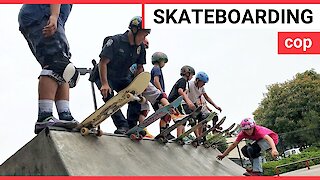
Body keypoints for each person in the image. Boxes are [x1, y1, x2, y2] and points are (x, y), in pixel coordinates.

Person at [18, 4, 80, 134]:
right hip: (42, 13)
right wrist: (54, 16)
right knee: (56, 62)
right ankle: (44, 115)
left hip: (41, 15)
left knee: (62, 68)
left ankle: (65, 114)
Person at [96, 16, 150, 134]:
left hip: (122, 77)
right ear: (134, 30)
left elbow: (140, 67)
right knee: (109, 97)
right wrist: (104, 84)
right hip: (104, 75)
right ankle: (122, 125)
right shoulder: (115, 41)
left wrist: (138, 86)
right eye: (143, 35)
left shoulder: (140, 48)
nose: (144, 38)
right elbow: (103, 62)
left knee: (135, 96)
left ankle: (132, 125)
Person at [184, 71, 222, 139]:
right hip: (185, 104)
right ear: (198, 80)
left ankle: (200, 136)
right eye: (203, 83)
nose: (204, 85)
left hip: (193, 105)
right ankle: (197, 137)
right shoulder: (190, 84)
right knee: (193, 119)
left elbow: (207, 97)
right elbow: (184, 93)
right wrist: (188, 102)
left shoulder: (202, 88)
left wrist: (216, 106)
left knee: (202, 117)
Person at [150, 52, 175, 140]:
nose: (164, 64)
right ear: (160, 60)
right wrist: (161, 91)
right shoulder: (157, 68)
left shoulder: (155, 68)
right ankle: (164, 132)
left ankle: (165, 131)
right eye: (164, 62)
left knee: (166, 114)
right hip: (157, 96)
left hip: (156, 96)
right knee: (166, 113)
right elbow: (156, 80)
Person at [167, 65, 196, 140]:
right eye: (192, 75)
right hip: (176, 102)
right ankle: (180, 136)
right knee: (182, 118)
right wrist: (188, 102)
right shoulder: (183, 80)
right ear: (187, 74)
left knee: (181, 118)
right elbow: (180, 91)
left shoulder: (181, 81)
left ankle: (182, 135)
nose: (192, 77)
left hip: (171, 101)